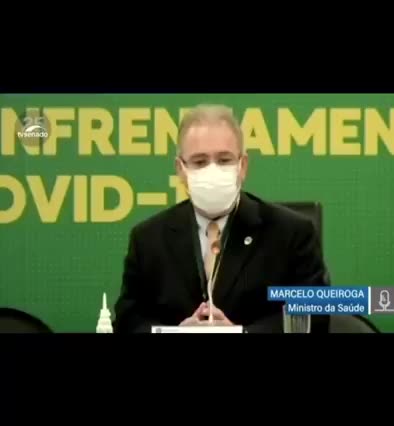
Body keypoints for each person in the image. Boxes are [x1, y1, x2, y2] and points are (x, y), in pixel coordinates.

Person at [113, 104, 330, 333]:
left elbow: (315, 317)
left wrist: (240, 333)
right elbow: (127, 321)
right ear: (180, 169)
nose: (212, 171)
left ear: (242, 166)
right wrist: (173, 332)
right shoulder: (148, 239)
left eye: (224, 160)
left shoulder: (291, 233)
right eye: (199, 162)